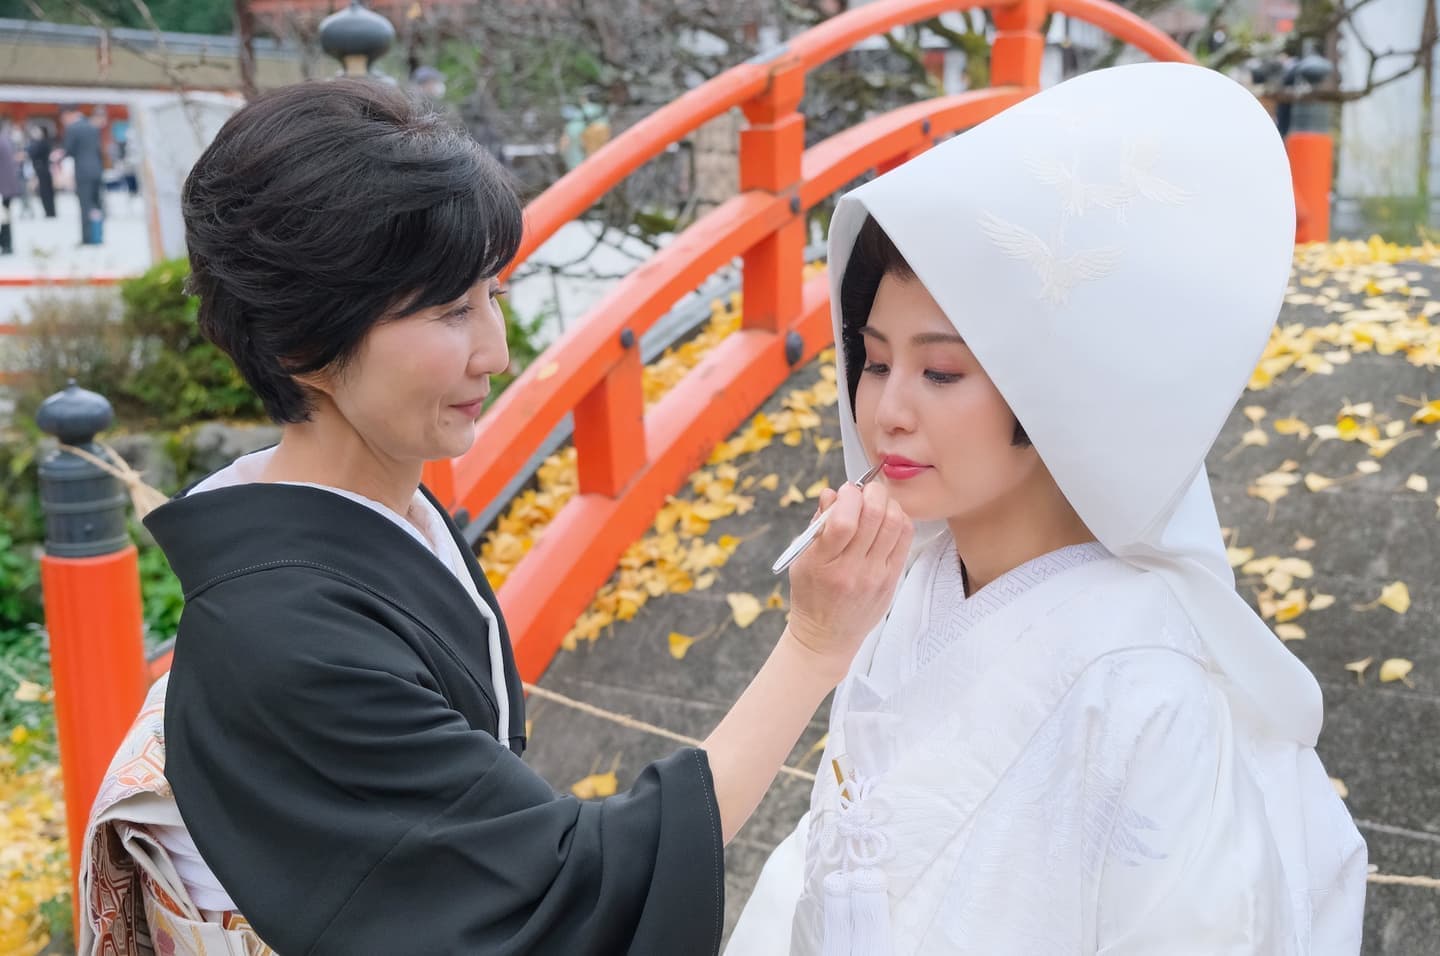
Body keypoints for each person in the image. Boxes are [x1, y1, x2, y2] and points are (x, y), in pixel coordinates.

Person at [78, 78, 913, 955]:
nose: (496, 350)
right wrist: (815, 645)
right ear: (302, 347)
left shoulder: (384, 521)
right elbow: (562, 896)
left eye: (491, 296)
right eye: (449, 313)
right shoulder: (283, 640)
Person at [728, 62, 1366, 955]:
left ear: (1052, 385)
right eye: (875, 361)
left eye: (941, 371)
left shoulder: (1151, 681)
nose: (888, 409)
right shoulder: (898, 595)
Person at [61, 106, 105, 244]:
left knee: (85, 205)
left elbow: (68, 150)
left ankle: (87, 238)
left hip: (83, 171)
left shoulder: (73, 129)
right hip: (97, 170)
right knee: (97, 204)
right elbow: (99, 150)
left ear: (68, 114)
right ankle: (98, 235)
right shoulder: (92, 127)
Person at [25, 123, 56, 219]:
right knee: (45, 192)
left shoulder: (43, 143)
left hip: (43, 169)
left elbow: (32, 153)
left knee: (46, 192)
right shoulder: (39, 142)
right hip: (42, 169)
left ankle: (50, 211)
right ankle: (49, 211)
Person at [0, 122, 20, 255]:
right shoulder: (5, 139)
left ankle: (6, 244)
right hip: (7, 186)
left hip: (2, 187)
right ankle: (6, 244)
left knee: (3, 217)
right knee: (4, 217)